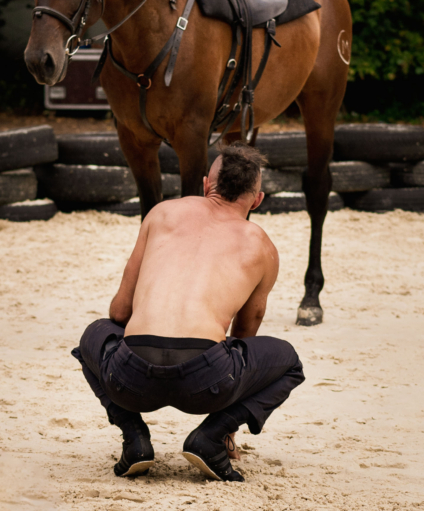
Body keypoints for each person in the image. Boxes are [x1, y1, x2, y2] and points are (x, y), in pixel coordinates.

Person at [72, 141, 305, 482]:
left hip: (129, 379)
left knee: (94, 334)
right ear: (257, 200)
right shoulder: (263, 246)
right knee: (289, 363)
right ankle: (211, 437)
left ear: (206, 184)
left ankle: (134, 436)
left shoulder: (162, 213)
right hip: (207, 383)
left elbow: (120, 311)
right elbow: (244, 333)